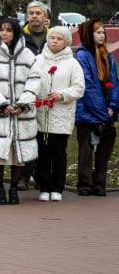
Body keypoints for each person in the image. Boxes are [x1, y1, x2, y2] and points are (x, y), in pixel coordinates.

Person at [0, 16, 41, 205]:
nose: (4, 34)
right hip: (0, 112)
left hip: (22, 113)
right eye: (1, 30)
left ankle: (14, 188)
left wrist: (23, 102)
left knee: (18, 154)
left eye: (8, 30)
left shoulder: (28, 55)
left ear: (15, 32)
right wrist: (2, 104)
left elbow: (35, 79)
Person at [33, 26, 85, 202]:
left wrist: (62, 95)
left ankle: (57, 187)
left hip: (61, 114)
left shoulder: (73, 63)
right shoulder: (38, 60)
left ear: (66, 42)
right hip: (41, 113)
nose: (55, 41)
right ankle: (44, 186)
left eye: (59, 38)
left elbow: (79, 87)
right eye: (52, 37)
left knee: (58, 152)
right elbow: (30, 81)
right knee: (42, 152)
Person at [74, 18, 119, 196]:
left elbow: (114, 83)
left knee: (104, 148)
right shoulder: (82, 55)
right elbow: (88, 85)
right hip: (87, 111)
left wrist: (113, 106)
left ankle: (100, 184)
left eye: (103, 32)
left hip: (106, 111)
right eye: (98, 32)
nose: (102, 35)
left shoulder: (107, 56)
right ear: (88, 34)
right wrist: (103, 112)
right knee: (86, 149)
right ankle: (85, 184)